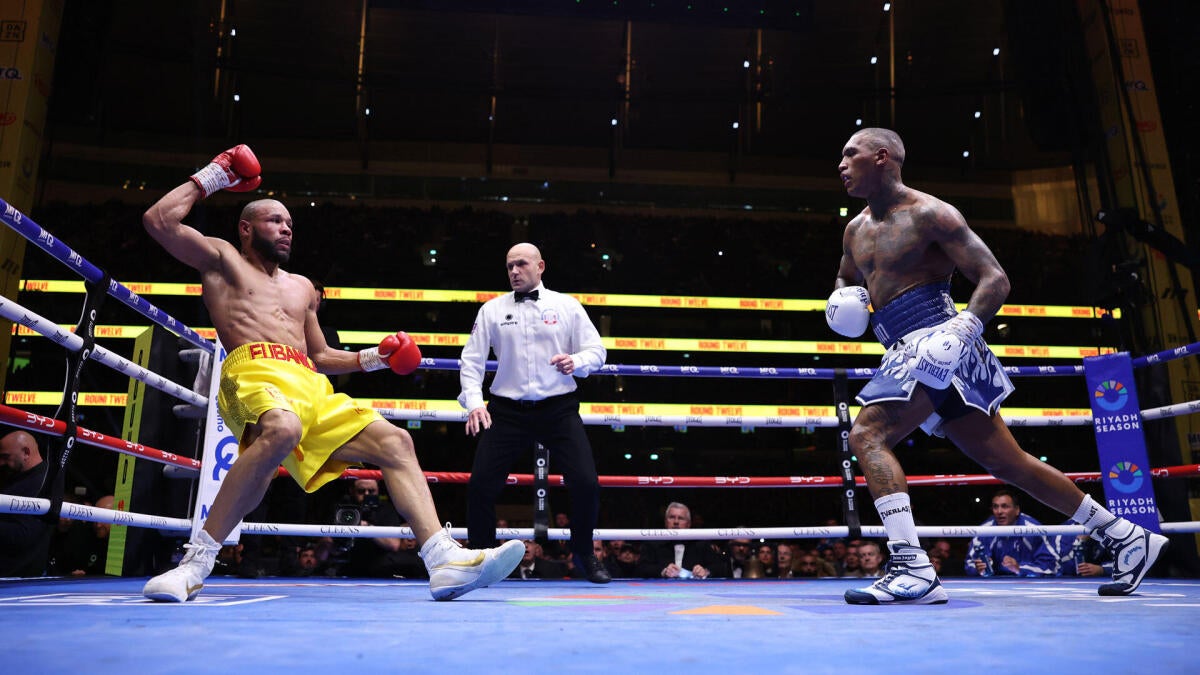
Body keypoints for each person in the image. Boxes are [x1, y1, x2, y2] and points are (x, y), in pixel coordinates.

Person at [139, 145, 523, 602]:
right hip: (254, 370)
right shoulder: (222, 259)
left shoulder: (302, 287)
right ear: (246, 228)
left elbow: (319, 354)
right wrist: (216, 174)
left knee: (396, 442)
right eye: (274, 221)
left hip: (309, 382)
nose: (286, 229)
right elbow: (158, 221)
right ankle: (194, 564)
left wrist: (376, 357)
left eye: (289, 224)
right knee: (282, 429)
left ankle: (443, 561)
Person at [828, 127, 1168, 604]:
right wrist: (844, 299)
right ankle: (1125, 535)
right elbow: (846, 278)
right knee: (1008, 463)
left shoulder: (931, 213)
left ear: (882, 157)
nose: (841, 164)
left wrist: (961, 330)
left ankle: (911, 566)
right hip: (901, 345)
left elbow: (995, 278)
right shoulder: (855, 229)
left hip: (941, 338)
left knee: (868, 434)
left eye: (850, 154)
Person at [458, 242, 610, 584]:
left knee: (586, 482)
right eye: (509, 266)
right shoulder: (492, 310)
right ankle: (482, 558)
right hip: (506, 410)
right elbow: (472, 361)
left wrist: (576, 361)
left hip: (558, 408)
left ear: (540, 266)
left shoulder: (566, 305)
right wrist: (475, 402)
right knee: (480, 484)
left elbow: (597, 350)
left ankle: (584, 555)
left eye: (522, 264)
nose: (514, 271)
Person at [343, 479, 427, 579]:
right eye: (361, 491)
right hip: (349, 565)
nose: (366, 494)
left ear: (378, 490)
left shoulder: (386, 509)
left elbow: (394, 544)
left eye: (371, 491)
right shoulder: (343, 509)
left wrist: (366, 528)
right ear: (352, 491)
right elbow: (330, 542)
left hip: (380, 568)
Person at [964, 489, 1059, 577]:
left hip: (1028, 582)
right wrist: (979, 569)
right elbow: (969, 564)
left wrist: (1020, 569)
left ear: (1017, 510)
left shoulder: (1034, 530)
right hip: (995, 583)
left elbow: (1052, 567)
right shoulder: (984, 531)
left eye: (1004, 506)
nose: (999, 511)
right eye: (995, 507)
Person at [0, 430, 52, 576]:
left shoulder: (44, 482)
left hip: (18, 575)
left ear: (26, 453)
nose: (1, 463)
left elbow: (24, 534)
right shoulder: (17, 477)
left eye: (6, 457)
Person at [635, 502, 729, 579]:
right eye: (672, 517)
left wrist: (705, 571)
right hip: (660, 590)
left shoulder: (700, 543)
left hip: (694, 591)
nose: (676, 522)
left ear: (689, 524)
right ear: (665, 521)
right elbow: (641, 567)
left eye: (681, 518)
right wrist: (663, 571)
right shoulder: (653, 543)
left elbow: (720, 567)